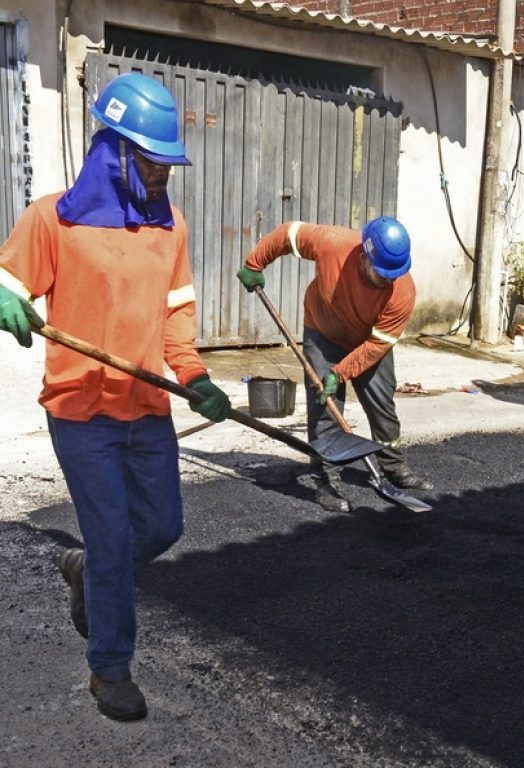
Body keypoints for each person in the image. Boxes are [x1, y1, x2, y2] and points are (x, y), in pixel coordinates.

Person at [0, 73, 231, 722]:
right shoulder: (53, 219)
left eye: (169, 166)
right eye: (154, 164)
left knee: (161, 527)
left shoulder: (170, 228)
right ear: (117, 152)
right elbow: (10, 282)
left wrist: (196, 378)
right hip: (80, 413)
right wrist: (9, 301)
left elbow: (177, 317)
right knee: (111, 541)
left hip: (145, 411)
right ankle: (109, 669)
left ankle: (82, 567)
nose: (163, 177)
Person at [236, 216, 433, 512]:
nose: (389, 280)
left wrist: (339, 373)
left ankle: (393, 467)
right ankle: (325, 478)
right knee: (324, 405)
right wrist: (254, 264)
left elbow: (377, 346)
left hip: (368, 341)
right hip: (323, 332)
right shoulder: (334, 244)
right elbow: (289, 233)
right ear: (364, 256)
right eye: (383, 274)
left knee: (382, 403)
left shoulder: (403, 291)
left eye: (395, 274)